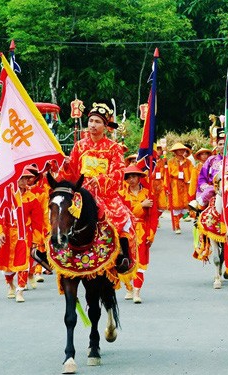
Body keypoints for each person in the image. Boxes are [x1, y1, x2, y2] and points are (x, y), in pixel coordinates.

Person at [59, 101, 136, 273]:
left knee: (122, 217)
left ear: (105, 125)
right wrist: (65, 165)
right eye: (91, 121)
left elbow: (118, 173)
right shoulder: (79, 146)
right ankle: (54, 252)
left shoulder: (114, 148)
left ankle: (123, 256)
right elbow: (72, 173)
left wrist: (100, 180)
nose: (93, 125)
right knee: (58, 213)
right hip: (81, 194)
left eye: (97, 122)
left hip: (105, 195)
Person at [0, 169, 37, 302]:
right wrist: (0, 232)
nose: (25, 181)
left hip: (23, 235)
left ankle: (20, 290)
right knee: (6, 263)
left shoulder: (32, 198)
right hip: (8, 235)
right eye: (22, 178)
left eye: (27, 178)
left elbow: (37, 220)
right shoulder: (7, 196)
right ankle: (10, 285)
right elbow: (0, 216)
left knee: (23, 263)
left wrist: (36, 239)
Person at [119, 165, 155, 303]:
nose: (131, 179)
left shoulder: (148, 193)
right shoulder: (121, 194)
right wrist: (141, 205)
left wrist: (151, 234)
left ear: (139, 177)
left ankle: (136, 292)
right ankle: (128, 288)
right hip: (126, 232)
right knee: (126, 260)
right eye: (128, 177)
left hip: (142, 231)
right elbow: (124, 213)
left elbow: (153, 216)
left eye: (134, 176)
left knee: (140, 263)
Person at [190, 131, 225, 211]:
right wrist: (208, 188)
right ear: (217, 146)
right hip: (214, 191)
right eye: (220, 144)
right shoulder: (211, 160)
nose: (222, 146)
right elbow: (202, 177)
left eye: (224, 143)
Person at [166, 142, 193, 234]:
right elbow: (167, 174)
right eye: (179, 150)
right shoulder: (171, 162)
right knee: (176, 205)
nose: (181, 151)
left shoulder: (188, 162)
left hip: (185, 185)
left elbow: (192, 173)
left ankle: (181, 218)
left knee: (186, 205)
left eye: (182, 149)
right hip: (175, 185)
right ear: (175, 151)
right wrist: (167, 187)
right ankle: (177, 226)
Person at [188, 148, 212, 220]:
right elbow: (193, 183)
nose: (204, 156)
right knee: (200, 213)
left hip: (211, 191)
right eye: (202, 154)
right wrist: (192, 196)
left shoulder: (212, 166)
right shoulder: (196, 168)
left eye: (206, 154)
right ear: (199, 156)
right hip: (200, 193)